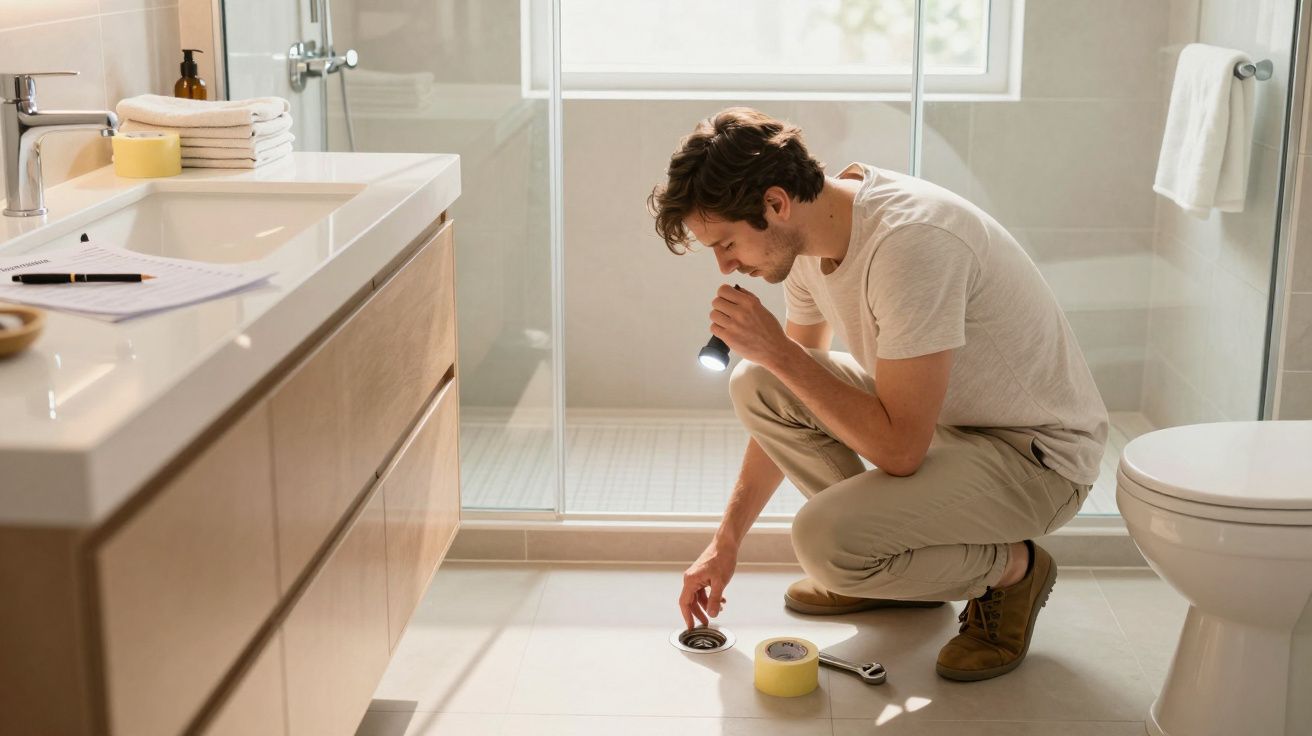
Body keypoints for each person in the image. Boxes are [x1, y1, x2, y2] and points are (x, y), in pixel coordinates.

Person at [648, 107, 1109, 682]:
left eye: (726, 242)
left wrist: (777, 350)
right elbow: (789, 382)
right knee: (759, 382)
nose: (725, 264)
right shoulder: (808, 241)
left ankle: (1013, 572)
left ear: (775, 203)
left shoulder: (910, 244)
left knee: (822, 540)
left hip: (1036, 460)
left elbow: (900, 451)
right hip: (948, 430)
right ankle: (890, 572)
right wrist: (726, 541)